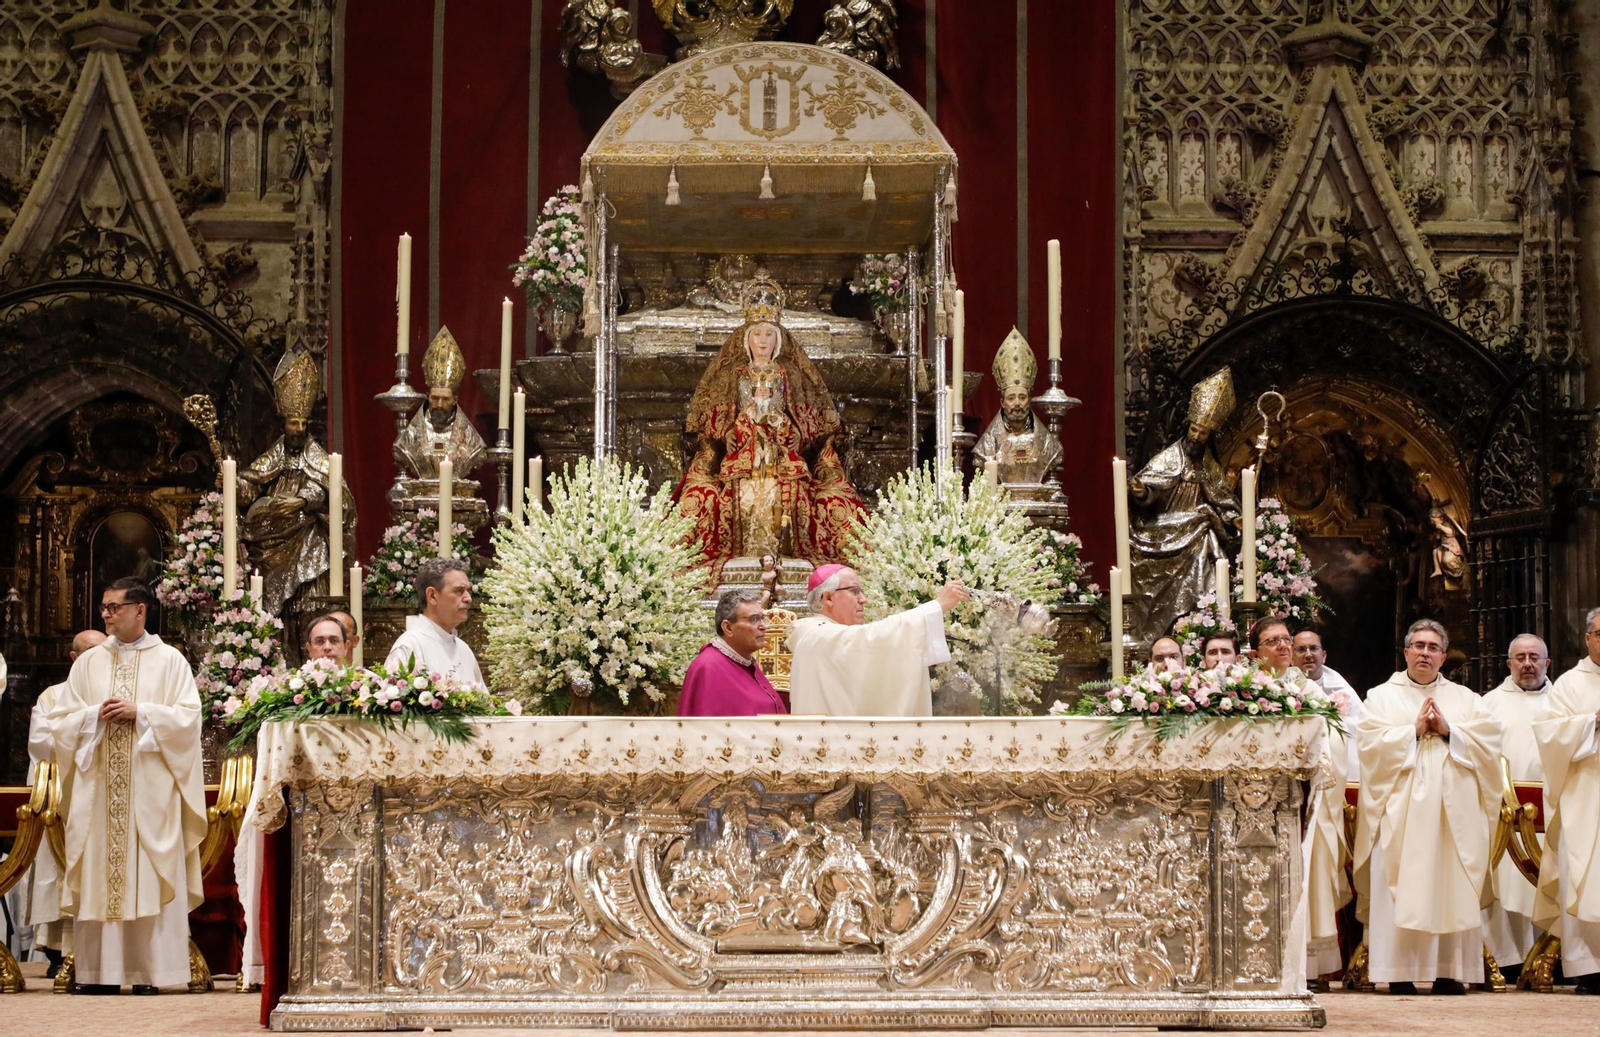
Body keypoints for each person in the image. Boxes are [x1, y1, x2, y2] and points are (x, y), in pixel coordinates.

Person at [48, 579, 206, 994]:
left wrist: (144, 713)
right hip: (98, 791)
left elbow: (189, 720)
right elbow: (61, 721)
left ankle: (149, 974)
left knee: (148, 872)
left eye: (114, 607)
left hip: (149, 791)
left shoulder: (170, 661)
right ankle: (98, 973)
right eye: (103, 607)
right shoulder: (87, 663)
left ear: (140, 610)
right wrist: (92, 718)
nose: (106, 614)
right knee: (100, 870)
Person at [677, 270, 866, 581]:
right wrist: (751, 413)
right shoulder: (734, 375)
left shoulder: (788, 376)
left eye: (768, 335)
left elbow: (801, 432)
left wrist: (775, 416)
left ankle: (786, 559)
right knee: (715, 494)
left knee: (794, 491)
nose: (762, 341)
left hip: (781, 457)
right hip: (743, 456)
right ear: (745, 339)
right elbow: (722, 432)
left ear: (777, 341)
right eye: (756, 334)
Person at [1353, 619, 1504, 995]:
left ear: (1443, 655)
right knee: (1400, 883)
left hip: (1455, 816)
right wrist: (1413, 731)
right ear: (1405, 652)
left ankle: (1450, 971)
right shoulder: (1380, 696)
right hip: (1401, 812)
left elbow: (1490, 743)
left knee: (1451, 883)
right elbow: (1369, 746)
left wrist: (1451, 730)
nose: (1424, 652)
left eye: (1433, 647)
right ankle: (1399, 971)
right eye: (1417, 645)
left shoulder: (1467, 699)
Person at [1127, 367, 1241, 639]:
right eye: (1194, 429)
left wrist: (1234, 518)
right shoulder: (1168, 459)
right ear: (1187, 427)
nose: (1196, 437)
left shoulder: (1210, 467)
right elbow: (1150, 487)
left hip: (1197, 535)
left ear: (1209, 435)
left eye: (1202, 433)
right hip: (1162, 530)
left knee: (1207, 536)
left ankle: (1199, 630)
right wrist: (1143, 492)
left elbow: (1222, 498)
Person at [237, 350, 355, 613]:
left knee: (311, 603)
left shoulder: (320, 460)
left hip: (309, 538)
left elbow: (334, 493)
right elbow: (249, 490)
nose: (299, 429)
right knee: (276, 610)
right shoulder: (271, 458)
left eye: (303, 423)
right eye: (294, 423)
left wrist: (302, 501)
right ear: (284, 425)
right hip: (272, 539)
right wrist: (234, 484)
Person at [22, 629, 106, 972]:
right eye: (90, 653)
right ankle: (59, 953)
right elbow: (42, 743)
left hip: (103, 797)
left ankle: (104, 953)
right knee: (57, 870)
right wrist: (90, 726)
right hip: (62, 798)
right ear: (74, 658)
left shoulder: (119, 694)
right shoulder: (53, 697)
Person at [788, 564, 968, 717]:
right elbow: (873, 639)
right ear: (828, 598)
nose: (863, 600)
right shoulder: (818, 636)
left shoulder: (822, 635)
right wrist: (935, 607)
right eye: (854, 591)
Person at [1530, 608, 1600, 995]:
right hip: (1584, 796)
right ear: (1588, 639)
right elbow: (1549, 735)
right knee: (1585, 876)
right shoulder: (1570, 684)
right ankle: (1589, 968)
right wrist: (1592, 722)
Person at [1481, 633, 1552, 974]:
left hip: (1553, 814)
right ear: (1508, 664)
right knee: (1505, 887)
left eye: (1534, 657)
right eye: (1520, 657)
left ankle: (1554, 956)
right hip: (1504, 816)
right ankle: (1507, 958)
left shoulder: (1563, 702)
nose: (1527, 664)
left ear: (1547, 663)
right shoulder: (1488, 705)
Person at [678, 590, 786, 716]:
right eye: (754, 619)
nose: (763, 626)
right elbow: (705, 729)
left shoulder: (744, 661)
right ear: (728, 628)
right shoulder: (708, 667)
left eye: (762, 618)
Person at [384, 558, 484, 688]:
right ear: (432, 595)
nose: (468, 598)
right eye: (459, 591)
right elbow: (392, 703)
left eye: (468, 591)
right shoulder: (410, 645)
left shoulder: (464, 649)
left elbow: (485, 703)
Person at [1293, 627, 1363, 774]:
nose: (1308, 654)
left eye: (1313, 648)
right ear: (1291, 658)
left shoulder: (1342, 691)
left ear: (1323, 656)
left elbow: (1358, 732)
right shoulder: (1282, 688)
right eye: (1301, 649)